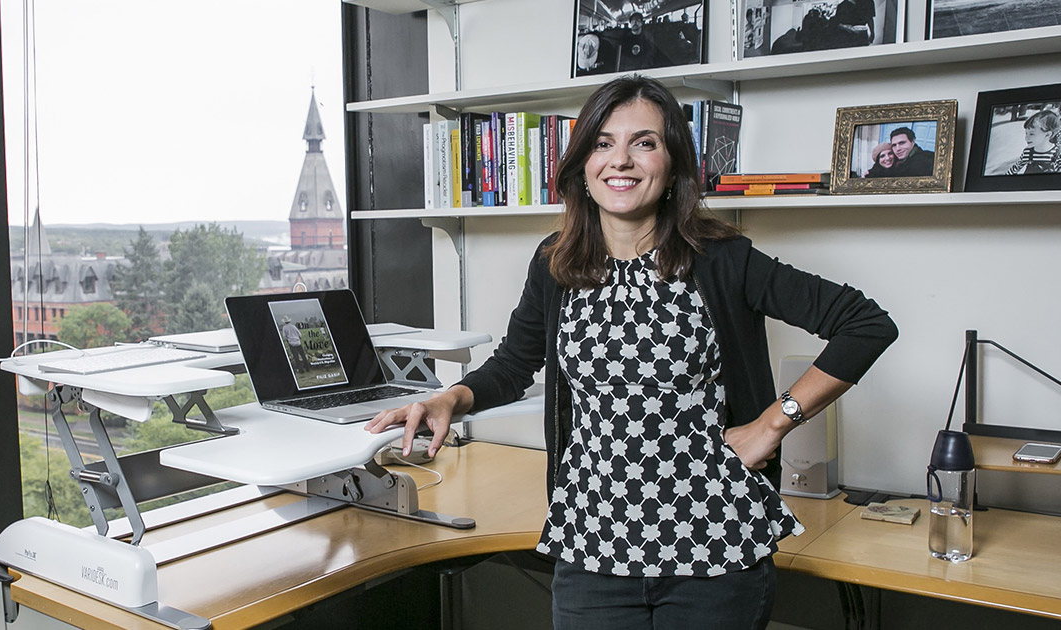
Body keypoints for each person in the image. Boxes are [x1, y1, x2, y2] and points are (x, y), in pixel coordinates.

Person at [367, 75, 897, 629]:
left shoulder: (722, 260)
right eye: (602, 143)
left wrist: (773, 423)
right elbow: (514, 363)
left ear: (672, 166)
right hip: (592, 544)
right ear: (581, 165)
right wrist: (451, 397)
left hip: (713, 546)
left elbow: (865, 325)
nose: (620, 160)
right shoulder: (556, 263)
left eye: (644, 142)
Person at [1006, 109, 1060, 175]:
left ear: (1047, 135)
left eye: (1032, 134)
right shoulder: (1028, 152)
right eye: (1026, 133)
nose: (1026, 138)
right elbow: (1015, 168)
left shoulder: (1056, 153)